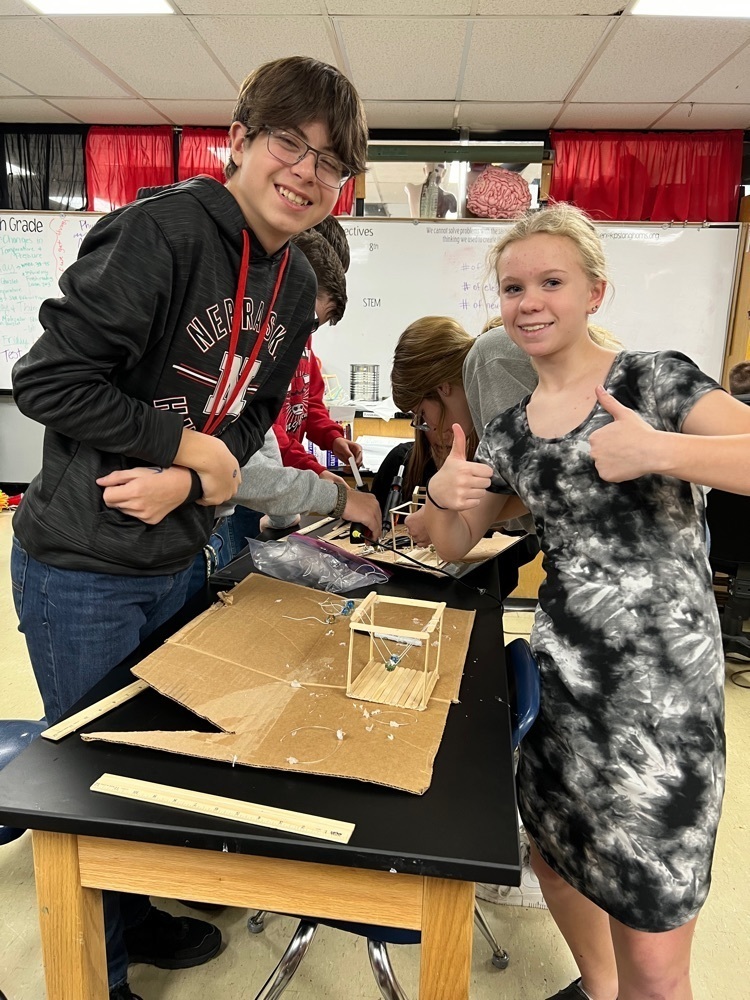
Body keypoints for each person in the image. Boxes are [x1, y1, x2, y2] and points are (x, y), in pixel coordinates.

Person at [10, 55, 368, 1000]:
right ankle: (104, 974)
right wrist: (190, 450)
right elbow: (49, 381)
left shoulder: (293, 279)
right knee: (92, 781)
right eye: (289, 143)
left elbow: (248, 419)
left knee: (154, 761)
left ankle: (138, 912)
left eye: (330, 163)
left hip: (176, 552)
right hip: (83, 563)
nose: (305, 172)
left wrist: (192, 478)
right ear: (241, 141)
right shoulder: (161, 233)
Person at [423, 203, 750, 1000]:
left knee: (655, 930)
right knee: (557, 855)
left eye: (550, 282)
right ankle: (597, 988)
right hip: (564, 681)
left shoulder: (654, 379)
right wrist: (440, 493)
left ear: (594, 293)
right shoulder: (509, 431)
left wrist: (659, 450)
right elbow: (453, 541)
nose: (529, 301)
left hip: (662, 701)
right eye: (512, 286)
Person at [387, 314, 537, 544]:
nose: (429, 427)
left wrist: (438, 516)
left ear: (442, 387)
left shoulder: (489, 359)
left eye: (423, 414)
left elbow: (532, 484)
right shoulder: (485, 374)